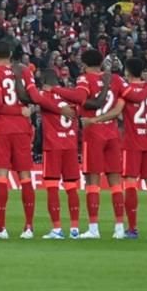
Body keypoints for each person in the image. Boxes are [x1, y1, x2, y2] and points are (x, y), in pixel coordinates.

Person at [94, 59, 147, 239]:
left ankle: (132, 229)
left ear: (127, 71)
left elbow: (116, 112)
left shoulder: (126, 91)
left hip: (132, 144)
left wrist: (96, 119)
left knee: (131, 185)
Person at [60, 49, 125, 239]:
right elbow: (125, 99)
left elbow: (80, 98)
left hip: (93, 133)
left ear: (84, 63)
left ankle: (94, 228)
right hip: (112, 132)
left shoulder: (84, 79)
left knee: (92, 182)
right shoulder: (116, 79)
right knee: (115, 182)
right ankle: (119, 228)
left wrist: (58, 91)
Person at [0, 41, 37, 239]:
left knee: (1, 177)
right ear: (12, 54)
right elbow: (35, 98)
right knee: (25, 177)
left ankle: (1, 228)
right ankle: (29, 227)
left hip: (3, 129)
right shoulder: (24, 71)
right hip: (22, 129)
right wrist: (28, 110)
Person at [30, 69, 83, 239]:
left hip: (53, 146)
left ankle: (57, 229)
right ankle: (75, 229)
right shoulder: (70, 96)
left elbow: (34, 98)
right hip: (71, 146)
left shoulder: (45, 95)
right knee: (71, 187)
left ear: (44, 83)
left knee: (52, 187)